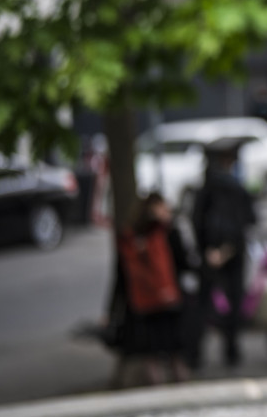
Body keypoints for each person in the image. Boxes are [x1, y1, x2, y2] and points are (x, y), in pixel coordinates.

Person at [109, 192, 193, 386]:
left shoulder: (128, 237)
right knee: (176, 357)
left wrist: (112, 310)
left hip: (142, 305)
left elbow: (121, 278)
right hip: (169, 302)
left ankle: (158, 394)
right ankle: (183, 396)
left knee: (151, 358)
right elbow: (185, 264)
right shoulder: (168, 232)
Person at [189, 140, 257, 369]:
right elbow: (249, 219)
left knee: (203, 304)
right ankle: (231, 351)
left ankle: (195, 355)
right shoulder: (237, 187)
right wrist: (227, 250)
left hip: (209, 253)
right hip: (233, 252)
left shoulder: (205, 188)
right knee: (234, 302)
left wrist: (207, 250)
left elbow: (196, 220)